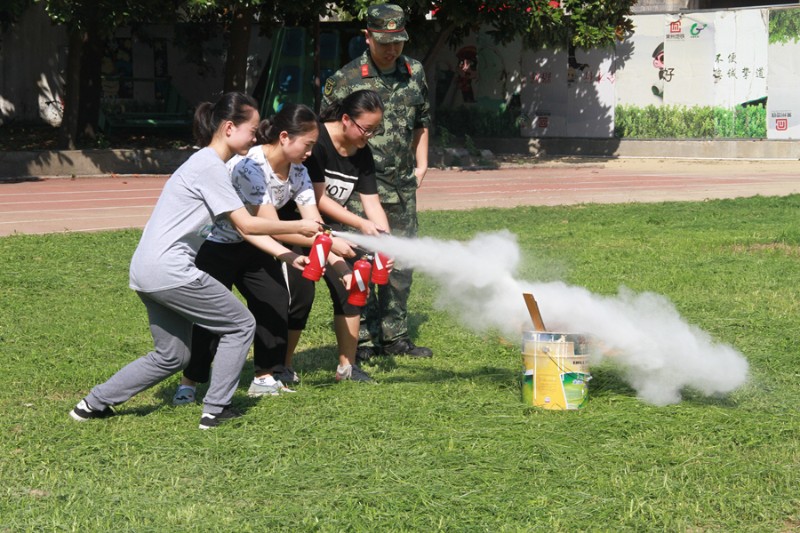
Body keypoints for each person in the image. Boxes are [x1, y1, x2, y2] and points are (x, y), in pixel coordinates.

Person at [69, 92, 320, 430]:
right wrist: (299, 226)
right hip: (171, 270)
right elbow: (247, 224)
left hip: (146, 270)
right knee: (241, 324)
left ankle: (91, 404)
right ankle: (215, 410)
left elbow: (242, 229)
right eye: (253, 129)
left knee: (172, 356)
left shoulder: (207, 165)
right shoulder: (209, 167)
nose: (258, 135)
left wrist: (290, 253)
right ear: (229, 128)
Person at [171, 103, 355, 403]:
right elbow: (268, 225)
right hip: (217, 245)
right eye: (307, 145)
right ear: (284, 137)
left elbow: (315, 226)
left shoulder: (299, 171)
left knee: (275, 298)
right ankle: (189, 383)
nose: (311, 152)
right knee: (212, 317)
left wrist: (338, 264)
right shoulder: (251, 166)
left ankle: (264, 376)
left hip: (252, 245)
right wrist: (311, 248)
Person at [322, 3, 433, 361]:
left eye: (398, 41)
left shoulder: (414, 71)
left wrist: (422, 163)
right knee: (362, 262)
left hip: (402, 186)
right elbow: (326, 134)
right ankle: (365, 340)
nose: (392, 49)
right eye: (385, 41)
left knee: (401, 264)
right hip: (359, 188)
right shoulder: (345, 79)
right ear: (367, 37)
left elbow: (422, 119)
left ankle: (395, 335)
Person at [286, 89, 393, 383]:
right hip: (300, 228)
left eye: (375, 130)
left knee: (352, 287)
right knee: (300, 294)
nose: (369, 136)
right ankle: (283, 365)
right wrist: (360, 224)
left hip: (333, 234)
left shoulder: (362, 153)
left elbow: (372, 203)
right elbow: (317, 199)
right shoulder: (316, 141)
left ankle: (346, 367)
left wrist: (386, 242)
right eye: (365, 129)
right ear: (346, 119)